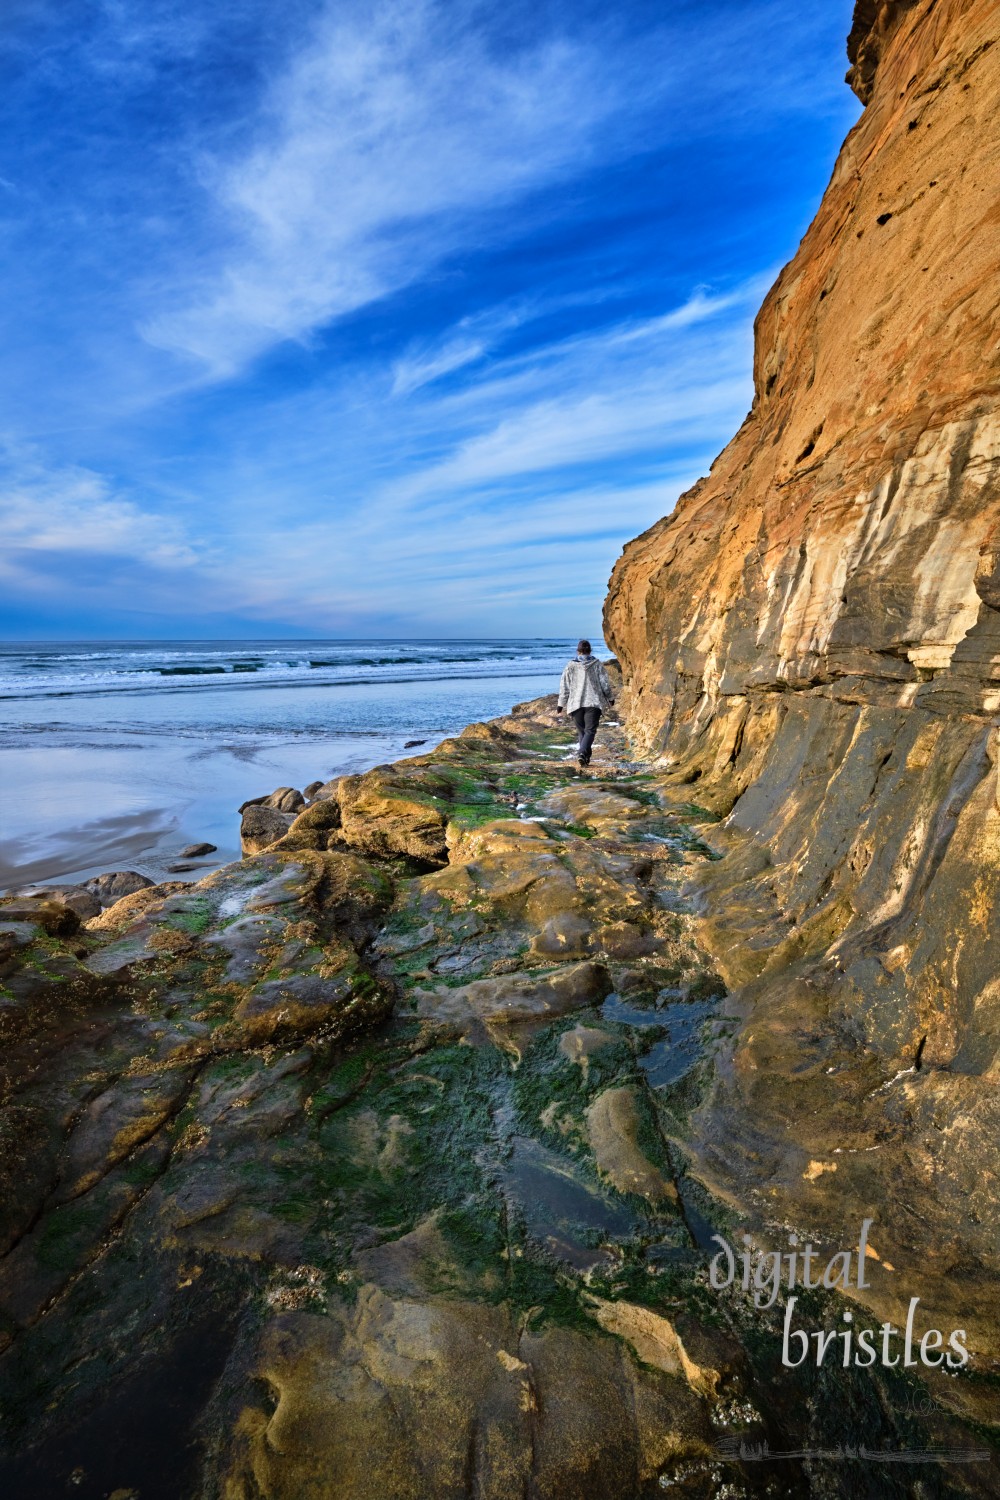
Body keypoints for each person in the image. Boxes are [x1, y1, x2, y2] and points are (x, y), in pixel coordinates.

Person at [556, 639, 614, 768]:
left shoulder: (570, 665)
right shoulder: (597, 664)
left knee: (582, 731)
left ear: (578, 651)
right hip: (593, 702)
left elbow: (564, 686)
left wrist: (561, 704)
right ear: (590, 650)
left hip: (575, 703)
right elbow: (604, 683)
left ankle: (585, 757)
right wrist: (610, 697)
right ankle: (582, 753)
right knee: (590, 731)